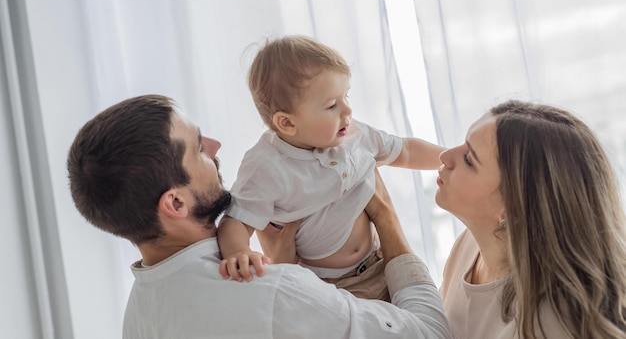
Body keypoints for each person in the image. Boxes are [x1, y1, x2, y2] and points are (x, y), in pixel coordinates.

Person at [67, 94, 452, 339]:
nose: (216, 146)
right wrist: (386, 220)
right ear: (176, 204)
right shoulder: (270, 292)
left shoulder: (140, 316)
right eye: (199, 148)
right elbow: (431, 334)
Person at [217, 35, 444, 301]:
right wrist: (238, 253)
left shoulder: (353, 135)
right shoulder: (267, 166)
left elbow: (404, 151)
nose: (347, 110)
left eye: (345, 96)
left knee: (422, 310)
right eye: (332, 105)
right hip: (336, 287)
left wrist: (449, 157)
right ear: (287, 124)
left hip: (383, 259)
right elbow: (236, 221)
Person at [436, 99, 626, 339]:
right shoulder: (470, 244)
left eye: (469, 159)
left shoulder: (550, 326)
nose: (444, 156)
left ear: (513, 208)